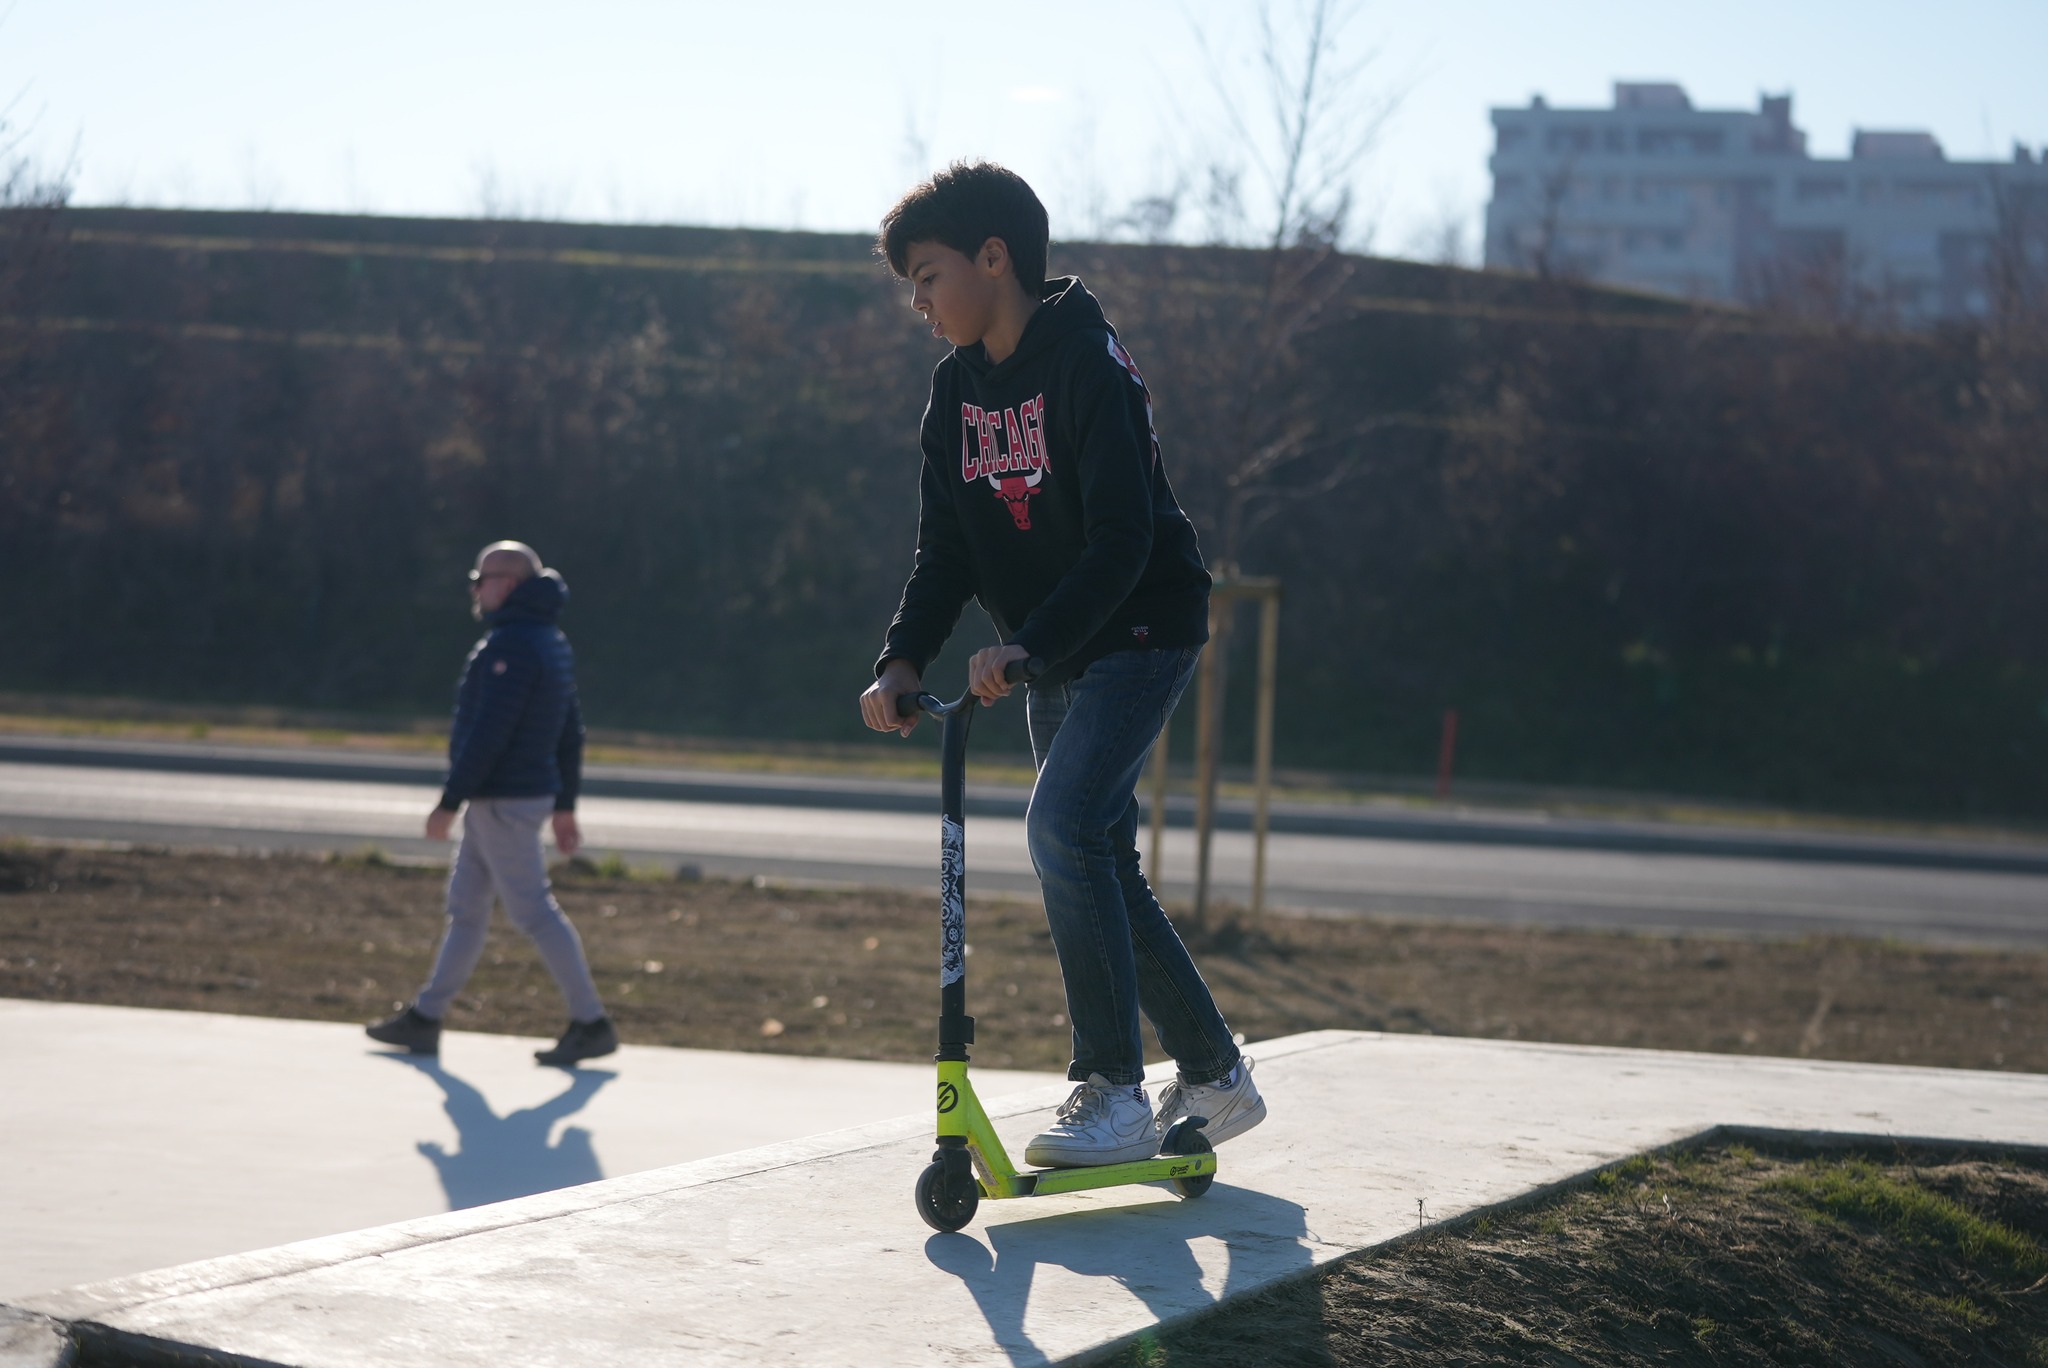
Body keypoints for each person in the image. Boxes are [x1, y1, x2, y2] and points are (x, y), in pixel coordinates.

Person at [858, 161, 1264, 1167]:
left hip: (1138, 628)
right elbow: (944, 551)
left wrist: (1031, 643)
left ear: (993, 258)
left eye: (926, 275)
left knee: (1060, 827)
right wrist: (903, 657)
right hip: (1050, 649)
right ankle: (1213, 1077)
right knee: (1094, 857)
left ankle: (1112, 1091)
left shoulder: (1088, 361)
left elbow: (1124, 539)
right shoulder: (953, 394)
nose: (916, 302)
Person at [367, 541, 617, 1067]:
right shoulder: (548, 640)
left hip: (503, 799)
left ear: (509, 583)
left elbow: (489, 734)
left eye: (481, 578)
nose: (475, 589)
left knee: (533, 912)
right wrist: (565, 803)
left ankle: (591, 1022)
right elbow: (571, 731)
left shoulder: (510, 646)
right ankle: (426, 1017)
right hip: (507, 798)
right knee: (466, 909)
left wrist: (448, 801)